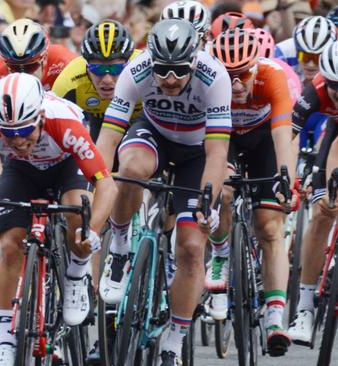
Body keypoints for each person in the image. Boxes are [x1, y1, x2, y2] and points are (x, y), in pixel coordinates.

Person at [95, 19, 232, 366]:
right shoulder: (136, 69)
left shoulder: (214, 77)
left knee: (189, 247)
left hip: (196, 151)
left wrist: (207, 201)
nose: (170, 80)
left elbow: (217, 154)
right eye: (163, 71)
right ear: (151, 61)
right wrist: (96, 182)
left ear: (195, 61)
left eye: (179, 72)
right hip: (154, 135)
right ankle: (122, 248)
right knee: (129, 170)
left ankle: (174, 341)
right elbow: (109, 138)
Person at [0, 72, 116, 366]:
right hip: (21, 171)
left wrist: (94, 231)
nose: (18, 140)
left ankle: (76, 274)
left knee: (77, 214)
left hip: (66, 166)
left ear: (39, 116)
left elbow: (107, 184)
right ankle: (4, 342)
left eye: (25, 130)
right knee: (10, 244)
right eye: (9, 134)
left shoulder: (64, 123)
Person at [209, 29, 296, 356]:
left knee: (270, 226)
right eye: (227, 75)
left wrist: (286, 181)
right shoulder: (208, 82)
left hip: (263, 140)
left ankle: (276, 315)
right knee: (225, 192)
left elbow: (283, 136)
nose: (235, 84)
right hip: (224, 137)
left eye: (243, 74)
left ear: (257, 65)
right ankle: (219, 254)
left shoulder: (273, 77)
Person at [287, 41, 338, 347]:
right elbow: (288, 136)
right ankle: (304, 308)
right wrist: (291, 176)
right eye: (337, 91)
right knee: (323, 210)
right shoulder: (315, 92)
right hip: (334, 134)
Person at [52, 20, 138, 142]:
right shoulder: (68, 82)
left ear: (128, 65)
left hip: (142, 118)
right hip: (100, 118)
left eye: (116, 68)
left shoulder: (144, 69)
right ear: (87, 67)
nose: (107, 80)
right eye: (98, 69)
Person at [0, 18, 76, 114]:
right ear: (5, 63)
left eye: (30, 66)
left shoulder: (65, 62)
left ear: (45, 59)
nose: (23, 73)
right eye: (15, 68)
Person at [275, 15, 336, 86]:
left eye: (317, 58)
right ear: (296, 50)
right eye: (305, 57)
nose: (311, 65)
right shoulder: (282, 51)